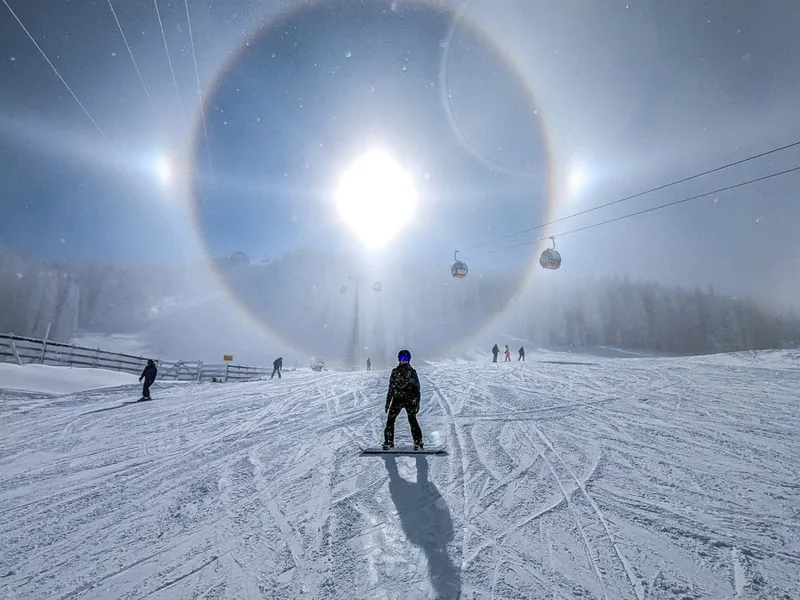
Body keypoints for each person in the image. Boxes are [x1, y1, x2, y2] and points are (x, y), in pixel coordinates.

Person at [383, 349, 423, 450]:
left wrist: (417, 402)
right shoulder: (395, 372)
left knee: (412, 420)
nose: (404, 361)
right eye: (402, 359)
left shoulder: (412, 372)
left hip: (410, 400)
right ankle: (389, 442)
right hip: (397, 399)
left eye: (406, 359)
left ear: (409, 360)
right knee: (390, 420)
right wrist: (388, 402)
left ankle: (418, 441)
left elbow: (417, 389)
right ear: (399, 360)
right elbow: (391, 388)